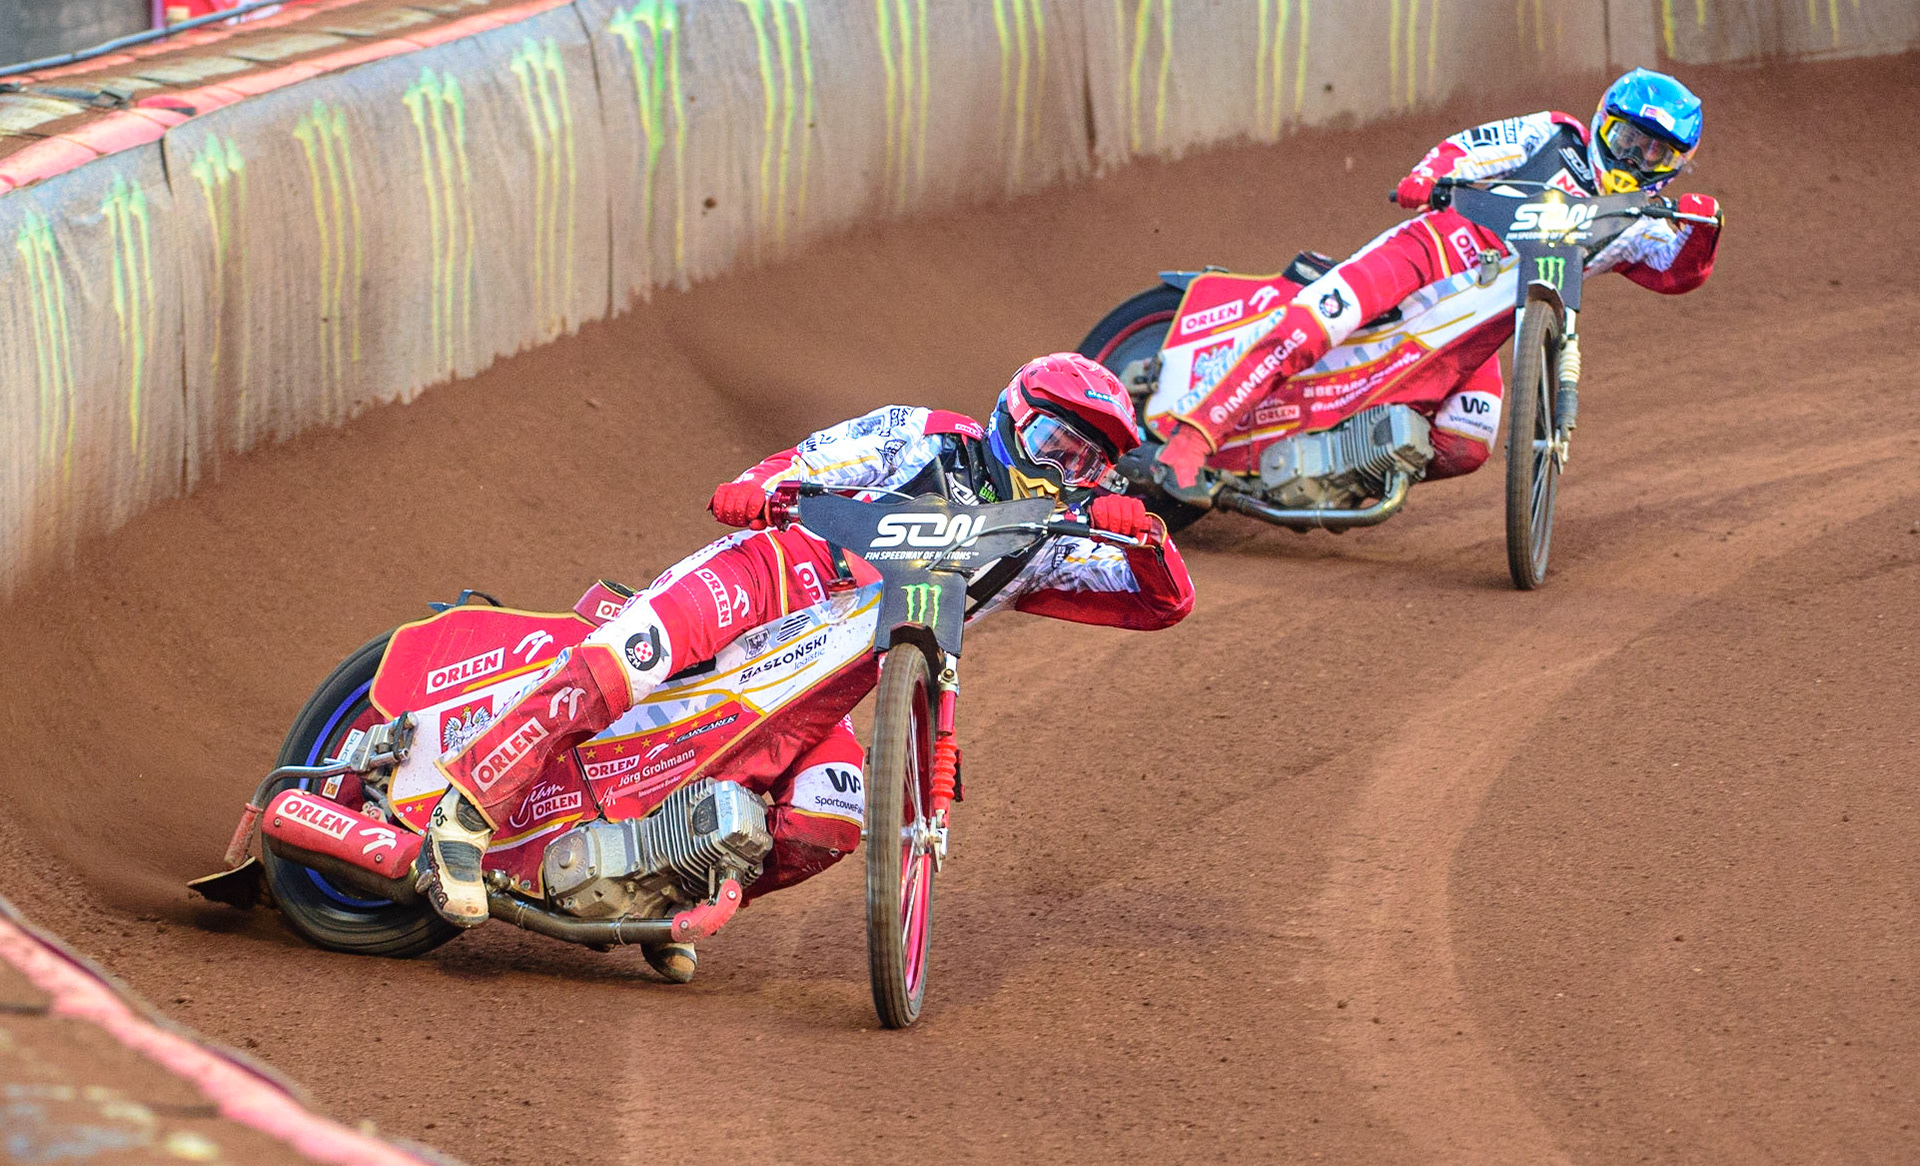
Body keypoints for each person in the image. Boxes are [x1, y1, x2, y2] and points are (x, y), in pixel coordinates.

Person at [416, 353, 1195, 979]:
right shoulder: (929, 435)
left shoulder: (1050, 544)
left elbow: (1165, 602)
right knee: (632, 655)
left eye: (1085, 461)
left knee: (835, 815)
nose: (1063, 467)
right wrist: (756, 488)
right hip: (773, 575)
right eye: (1055, 442)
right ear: (1012, 418)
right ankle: (463, 813)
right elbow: (815, 454)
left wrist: (1148, 535)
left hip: (826, 681)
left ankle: (660, 892)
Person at [1151, 68, 1725, 502]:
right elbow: (1473, 145)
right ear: (1605, 123)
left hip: (1476, 334)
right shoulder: (1557, 135)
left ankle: (1338, 472)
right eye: (1628, 139)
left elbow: (1677, 273)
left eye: (1656, 151)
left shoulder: (1639, 220)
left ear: (1673, 163)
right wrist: (1428, 177)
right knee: (1316, 325)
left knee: (1467, 443)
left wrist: (1703, 230)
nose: (1636, 155)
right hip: (1429, 255)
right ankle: (1190, 443)